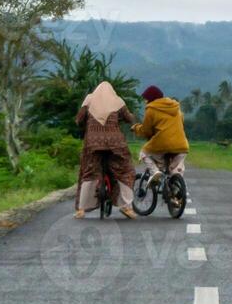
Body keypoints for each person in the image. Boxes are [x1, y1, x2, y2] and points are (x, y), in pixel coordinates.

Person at [74, 81, 137, 220]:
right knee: (125, 171)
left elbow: (79, 119)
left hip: (93, 142)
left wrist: (85, 124)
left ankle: (81, 210)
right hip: (116, 142)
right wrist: (127, 118)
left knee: (89, 172)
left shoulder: (89, 99)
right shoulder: (118, 100)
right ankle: (126, 206)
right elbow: (129, 118)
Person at [132, 85, 190, 185]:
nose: (145, 102)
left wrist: (135, 128)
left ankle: (155, 172)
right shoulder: (176, 108)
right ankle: (176, 194)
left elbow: (146, 131)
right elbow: (181, 123)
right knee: (175, 171)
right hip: (181, 145)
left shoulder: (151, 109)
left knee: (144, 153)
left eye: (146, 99)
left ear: (151, 98)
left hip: (163, 144)